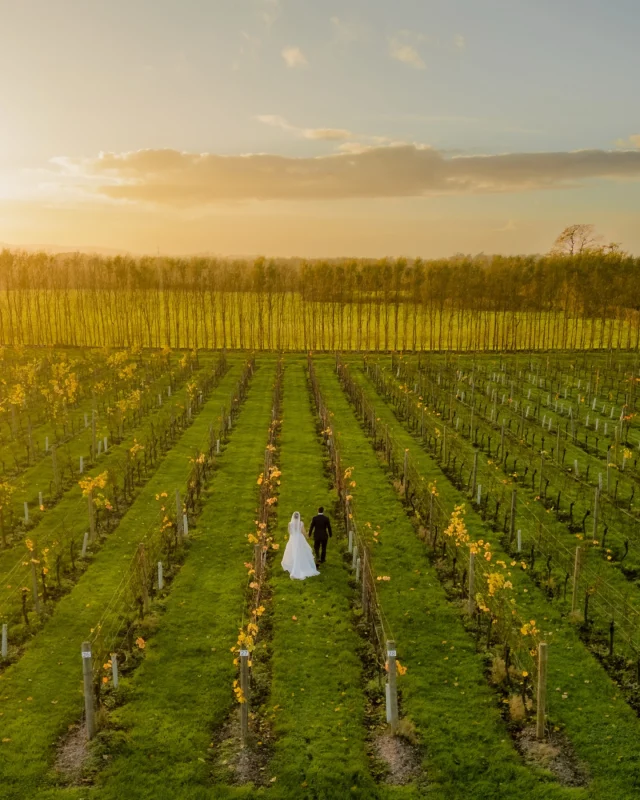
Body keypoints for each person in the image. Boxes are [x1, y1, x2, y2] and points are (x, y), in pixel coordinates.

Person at [281, 511, 320, 580]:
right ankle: (303, 566)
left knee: (292, 551)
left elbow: (289, 532)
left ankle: (293, 565)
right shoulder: (301, 523)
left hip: (293, 539)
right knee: (302, 551)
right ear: (299, 517)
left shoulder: (290, 524)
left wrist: (293, 533)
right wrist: (307, 536)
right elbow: (303, 531)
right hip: (300, 538)